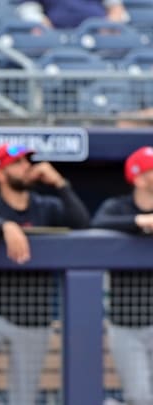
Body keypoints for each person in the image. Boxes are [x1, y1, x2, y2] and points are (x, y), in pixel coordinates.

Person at [0, 143, 90, 405]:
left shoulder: (47, 206)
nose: (26, 167)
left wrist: (61, 183)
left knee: (23, 397)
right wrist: (6, 225)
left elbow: (83, 222)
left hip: (35, 318)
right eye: (17, 163)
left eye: (27, 162)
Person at [91, 146, 153, 405]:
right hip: (126, 323)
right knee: (139, 398)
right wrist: (139, 222)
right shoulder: (118, 207)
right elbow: (95, 224)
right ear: (138, 178)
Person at [16, 0, 129, 29]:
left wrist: (107, 28)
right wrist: (46, 29)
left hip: (97, 33)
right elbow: (28, 9)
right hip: (58, 34)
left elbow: (116, 9)